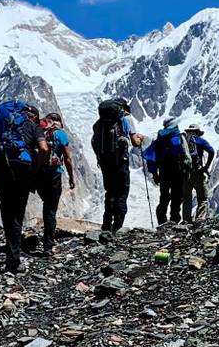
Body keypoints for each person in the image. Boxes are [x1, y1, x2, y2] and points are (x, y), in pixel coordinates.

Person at [0, 102, 43, 272]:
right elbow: (44, 148)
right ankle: (14, 259)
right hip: (22, 171)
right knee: (18, 213)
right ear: (31, 115)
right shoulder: (32, 126)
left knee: (6, 208)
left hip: (0, 168)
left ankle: (11, 251)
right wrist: (36, 168)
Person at [89, 98, 145, 233]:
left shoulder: (100, 123)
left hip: (105, 162)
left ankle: (106, 225)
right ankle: (118, 226)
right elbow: (135, 142)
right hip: (120, 161)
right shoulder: (126, 119)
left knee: (110, 193)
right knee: (122, 192)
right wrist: (140, 138)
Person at [35, 112, 76, 255]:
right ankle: (48, 245)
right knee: (51, 210)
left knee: (47, 206)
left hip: (39, 174)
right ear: (57, 121)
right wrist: (71, 177)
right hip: (54, 174)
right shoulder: (60, 134)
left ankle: (46, 240)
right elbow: (68, 158)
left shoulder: (39, 132)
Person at [142, 121, 193, 224]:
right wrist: (188, 169)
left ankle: (162, 218)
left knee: (164, 196)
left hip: (164, 172)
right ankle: (174, 219)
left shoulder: (160, 139)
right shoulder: (179, 136)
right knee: (177, 196)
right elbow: (187, 156)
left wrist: (155, 174)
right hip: (178, 172)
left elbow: (152, 157)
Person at [181, 125, 215, 220]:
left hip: (186, 173)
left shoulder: (183, 142)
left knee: (186, 199)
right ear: (198, 132)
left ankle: (186, 220)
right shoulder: (200, 141)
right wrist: (206, 167)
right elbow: (211, 151)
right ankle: (199, 219)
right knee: (202, 198)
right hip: (198, 172)